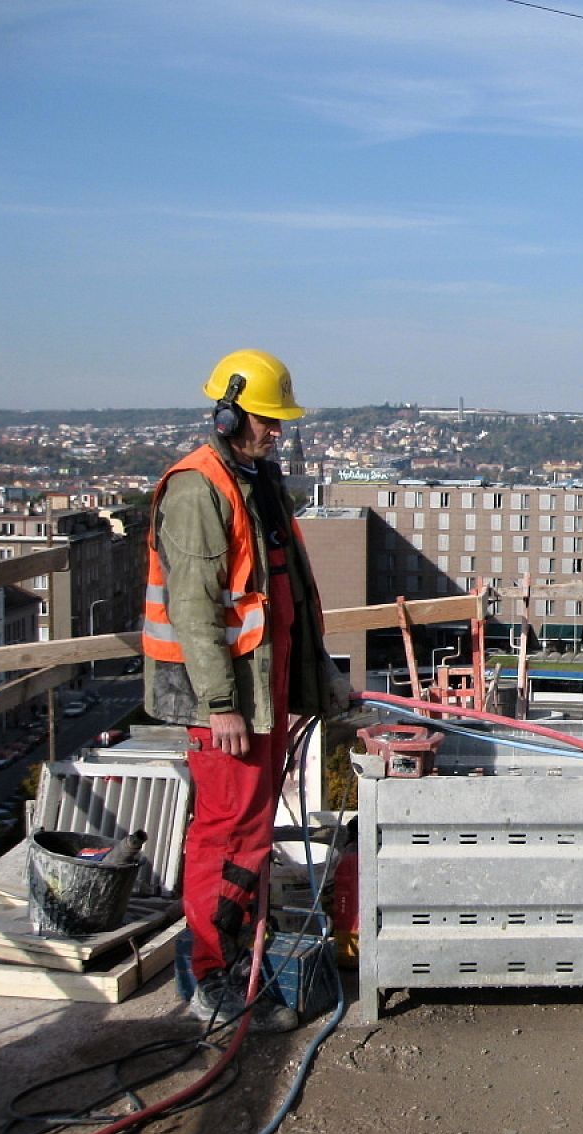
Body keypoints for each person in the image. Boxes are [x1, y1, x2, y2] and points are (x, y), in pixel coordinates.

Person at [143, 349, 351, 1031]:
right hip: (227, 703)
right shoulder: (199, 489)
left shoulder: (257, 478)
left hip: (261, 695)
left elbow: (286, 588)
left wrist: (319, 682)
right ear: (230, 413)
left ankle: (241, 965)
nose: (277, 431)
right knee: (226, 839)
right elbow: (196, 609)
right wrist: (222, 705)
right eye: (268, 419)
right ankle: (212, 976)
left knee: (252, 835)